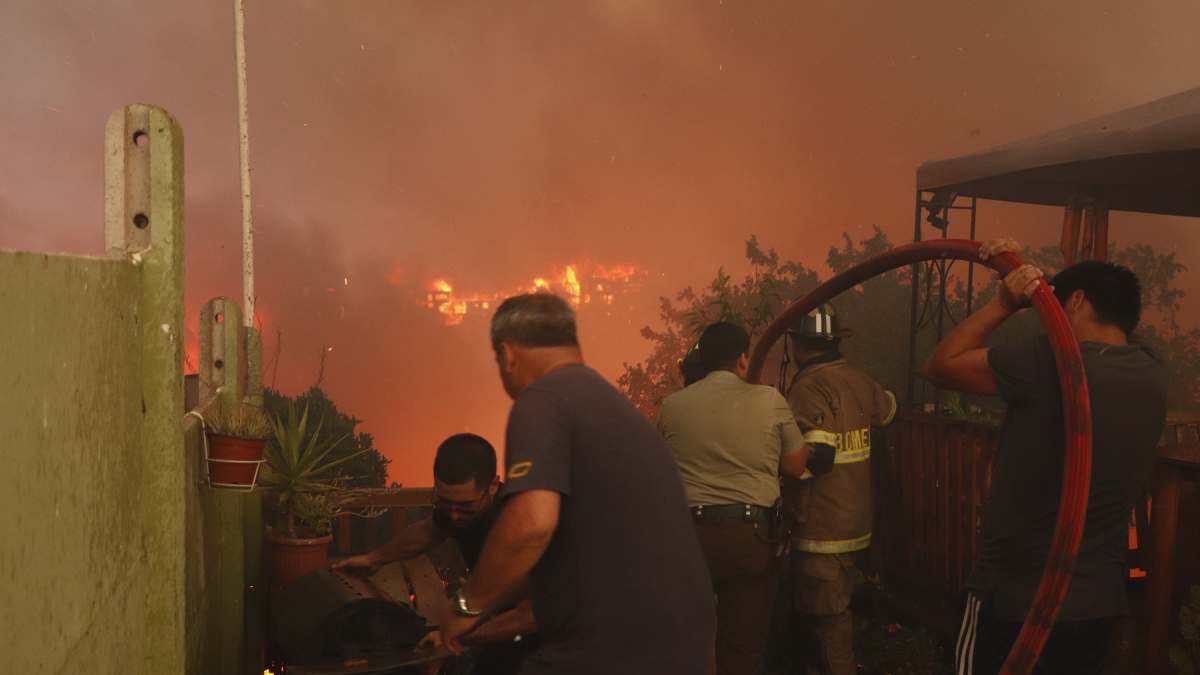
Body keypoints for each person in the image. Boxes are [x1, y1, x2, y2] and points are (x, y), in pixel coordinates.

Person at [923, 240, 1167, 675]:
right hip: (1098, 607)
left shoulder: (1047, 362)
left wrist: (1005, 302)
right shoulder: (1151, 372)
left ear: (1074, 302)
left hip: (1019, 601)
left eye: (1051, 305)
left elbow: (941, 366)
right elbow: (1122, 325)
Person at [437, 293, 715, 675]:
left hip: (616, 652)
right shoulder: (610, 407)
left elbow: (532, 524)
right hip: (680, 645)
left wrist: (466, 606)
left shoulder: (542, 401)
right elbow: (545, 592)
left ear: (508, 354)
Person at [657, 321, 812, 675]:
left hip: (688, 539)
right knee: (742, 648)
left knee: (687, 642)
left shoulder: (672, 406)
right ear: (743, 359)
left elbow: (659, 471)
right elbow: (794, 465)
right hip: (750, 537)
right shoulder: (769, 400)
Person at [332, 433, 536, 674]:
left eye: (465, 507)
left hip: (553, 642)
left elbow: (531, 615)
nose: (454, 516)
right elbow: (429, 531)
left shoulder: (520, 524)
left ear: (493, 485)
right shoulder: (455, 510)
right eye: (445, 502)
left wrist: (456, 636)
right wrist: (374, 559)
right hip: (498, 625)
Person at [782, 303, 897, 675]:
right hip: (858, 523)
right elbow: (887, 411)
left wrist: (776, 466)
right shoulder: (859, 379)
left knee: (828, 623)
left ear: (798, 345)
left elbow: (820, 458)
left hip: (822, 527)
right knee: (838, 612)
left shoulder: (808, 387)